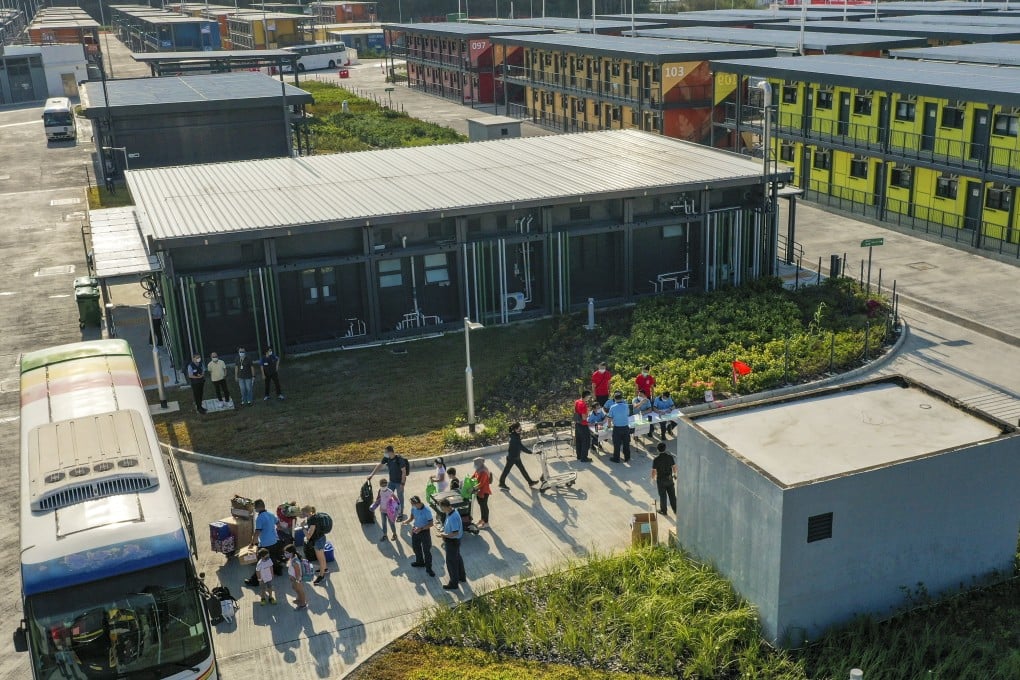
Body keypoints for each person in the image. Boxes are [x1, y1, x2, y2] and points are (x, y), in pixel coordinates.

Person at [244, 499, 284, 587]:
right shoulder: (271, 514)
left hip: (265, 544)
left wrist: (252, 543)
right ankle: (278, 570)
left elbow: (257, 532)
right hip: (274, 541)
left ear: (257, 508)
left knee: (260, 563)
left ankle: (254, 581)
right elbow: (279, 525)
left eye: (255, 508)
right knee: (273, 557)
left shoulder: (259, 518)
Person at [369, 445, 409, 521]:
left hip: (399, 483)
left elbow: (404, 472)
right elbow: (379, 465)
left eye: (385, 452)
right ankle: (387, 509)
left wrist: (402, 484)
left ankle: (400, 514)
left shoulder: (399, 459)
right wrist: (371, 474)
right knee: (385, 494)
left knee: (400, 499)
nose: (384, 454)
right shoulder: (387, 458)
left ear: (390, 452)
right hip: (391, 482)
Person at [402, 495, 435, 577]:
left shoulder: (427, 511)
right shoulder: (414, 508)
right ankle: (420, 562)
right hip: (415, 529)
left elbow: (431, 524)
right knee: (416, 547)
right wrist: (406, 521)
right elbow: (412, 517)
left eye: (412, 504)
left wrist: (421, 528)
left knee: (426, 551)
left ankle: (429, 568)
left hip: (424, 531)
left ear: (417, 503)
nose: (412, 505)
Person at [498, 422, 537, 490]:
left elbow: (519, 447)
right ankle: (501, 483)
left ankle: (530, 482)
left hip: (516, 457)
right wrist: (531, 452)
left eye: (521, 428)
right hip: (512, 458)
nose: (521, 430)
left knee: (522, 470)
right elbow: (521, 447)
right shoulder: (514, 437)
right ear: (515, 429)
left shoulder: (514, 435)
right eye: (519, 429)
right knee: (506, 471)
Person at [438, 498, 466, 590]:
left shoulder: (453, 517)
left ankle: (454, 583)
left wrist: (443, 534)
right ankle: (462, 577)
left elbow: (455, 533)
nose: (441, 510)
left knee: (451, 563)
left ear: (446, 507)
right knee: (458, 559)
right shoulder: (452, 511)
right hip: (455, 541)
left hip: (452, 542)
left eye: (442, 508)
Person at [301, 505, 330, 584]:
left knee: (321, 559)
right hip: (321, 538)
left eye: (302, 513)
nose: (301, 515)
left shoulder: (312, 522)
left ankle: (321, 576)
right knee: (322, 557)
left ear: (307, 513)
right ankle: (324, 569)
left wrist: (303, 527)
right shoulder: (313, 516)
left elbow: (309, 536)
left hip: (318, 541)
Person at [651, 442, 678, 515]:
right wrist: (675, 474)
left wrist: (652, 479)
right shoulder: (670, 457)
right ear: (665, 449)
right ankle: (675, 510)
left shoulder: (656, 459)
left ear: (658, 450)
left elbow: (654, 471)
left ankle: (664, 510)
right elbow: (674, 467)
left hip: (661, 480)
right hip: (669, 479)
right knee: (672, 495)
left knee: (663, 496)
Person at [370, 477, 398, 541]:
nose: (384, 486)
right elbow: (378, 498)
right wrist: (374, 505)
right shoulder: (380, 490)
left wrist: (397, 507)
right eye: (382, 485)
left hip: (389, 511)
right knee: (383, 523)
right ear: (380, 485)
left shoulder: (390, 491)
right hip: (382, 510)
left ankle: (394, 534)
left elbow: (396, 499)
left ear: (387, 484)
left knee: (391, 523)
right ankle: (385, 535)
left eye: (385, 485)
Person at [607, 391, 632, 463]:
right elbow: (627, 414)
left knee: (617, 444)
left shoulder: (612, 407)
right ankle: (627, 457)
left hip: (617, 428)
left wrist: (609, 426)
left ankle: (616, 458)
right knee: (626, 443)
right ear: (622, 398)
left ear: (614, 399)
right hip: (626, 427)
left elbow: (609, 418)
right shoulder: (626, 405)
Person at [470, 457, 493, 529]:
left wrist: (472, 488)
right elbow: (473, 476)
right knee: (481, 506)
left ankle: (486, 522)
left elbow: (481, 483)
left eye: (475, 464)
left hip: (484, 492)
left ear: (479, 463)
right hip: (479, 492)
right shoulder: (479, 469)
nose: (474, 465)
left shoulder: (483, 472)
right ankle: (482, 520)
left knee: (484, 507)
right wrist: (468, 481)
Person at [284, 544, 308, 609]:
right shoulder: (293, 557)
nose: (285, 554)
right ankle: (299, 599)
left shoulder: (295, 562)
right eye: (285, 552)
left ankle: (303, 604)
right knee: (296, 589)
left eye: (287, 553)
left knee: (300, 591)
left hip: (296, 579)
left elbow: (297, 572)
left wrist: (298, 581)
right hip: (293, 578)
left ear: (291, 553)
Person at [573, 389, 593, 462]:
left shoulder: (577, 401)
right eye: (589, 397)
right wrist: (588, 412)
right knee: (586, 441)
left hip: (577, 424)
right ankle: (584, 457)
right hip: (583, 425)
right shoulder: (583, 404)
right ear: (586, 396)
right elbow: (584, 417)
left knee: (578, 440)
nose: (590, 398)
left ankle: (579, 456)